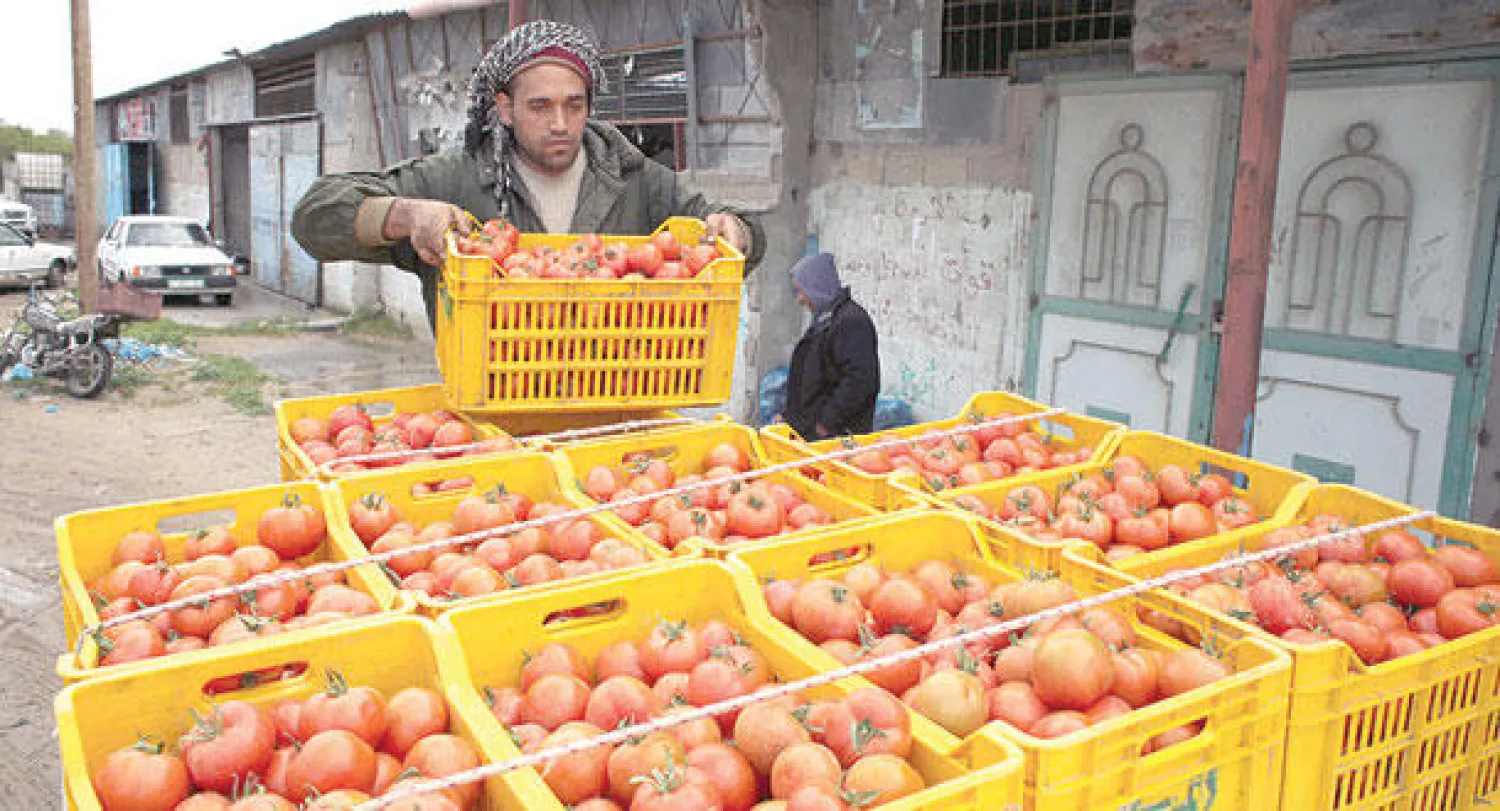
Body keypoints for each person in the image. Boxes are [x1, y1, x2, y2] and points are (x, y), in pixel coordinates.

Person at [291, 20, 762, 327]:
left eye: (573, 105)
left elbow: (743, 234)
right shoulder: (454, 181)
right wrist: (405, 215)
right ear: (506, 109)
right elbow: (314, 219)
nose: (560, 124)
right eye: (540, 106)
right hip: (496, 423)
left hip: (615, 417)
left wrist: (735, 231)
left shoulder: (637, 180)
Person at [782, 252, 880, 439]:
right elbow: (810, 376)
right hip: (812, 431)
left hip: (835, 436)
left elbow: (860, 380)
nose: (800, 299)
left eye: (802, 290)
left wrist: (826, 423)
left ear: (817, 286)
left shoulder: (851, 322)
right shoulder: (826, 318)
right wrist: (789, 416)